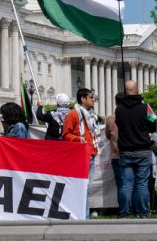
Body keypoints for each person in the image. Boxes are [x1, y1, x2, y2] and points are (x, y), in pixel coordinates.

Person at [115, 80, 157, 218]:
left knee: (126, 184)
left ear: (126, 91)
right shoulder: (146, 108)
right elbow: (153, 126)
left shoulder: (119, 109)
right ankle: (143, 212)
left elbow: (119, 124)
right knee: (142, 183)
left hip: (125, 151)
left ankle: (124, 213)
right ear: (137, 90)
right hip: (143, 150)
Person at [62, 88, 99, 219]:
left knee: (87, 189)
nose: (93, 99)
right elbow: (66, 134)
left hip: (90, 154)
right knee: (81, 188)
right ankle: (81, 215)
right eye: (91, 97)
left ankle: (85, 215)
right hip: (80, 154)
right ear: (83, 99)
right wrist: (79, 139)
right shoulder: (73, 114)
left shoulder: (91, 115)